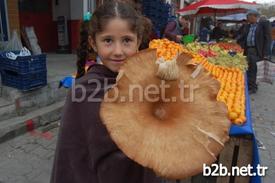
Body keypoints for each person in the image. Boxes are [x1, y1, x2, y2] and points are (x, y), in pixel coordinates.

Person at [50, 1, 163, 183]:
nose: (118, 51)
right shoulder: (82, 92)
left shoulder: (149, 86)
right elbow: (72, 157)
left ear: (138, 41)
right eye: (108, 40)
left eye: (126, 40)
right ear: (94, 43)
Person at [237, 9, 272, 94]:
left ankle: (253, 88)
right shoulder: (247, 26)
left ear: (254, 16)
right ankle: (250, 85)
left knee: (254, 69)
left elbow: (268, 39)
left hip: (256, 51)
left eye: (248, 16)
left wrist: (266, 53)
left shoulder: (263, 25)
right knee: (248, 68)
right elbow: (243, 37)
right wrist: (236, 42)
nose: (247, 18)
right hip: (248, 50)